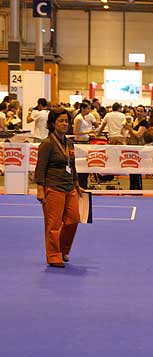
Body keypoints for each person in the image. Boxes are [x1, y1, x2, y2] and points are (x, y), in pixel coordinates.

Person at [34, 108, 85, 268]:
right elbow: (40, 167)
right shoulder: (47, 144)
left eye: (66, 121)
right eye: (61, 121)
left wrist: (77, 185)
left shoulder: (69, 143)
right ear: (52, 124)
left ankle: (63, 250)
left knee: (73, 220)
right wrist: (40, 189)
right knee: (53, 224)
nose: (65, 124)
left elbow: (72, 165)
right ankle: (53, 255)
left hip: (69, 187)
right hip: (52, 188)